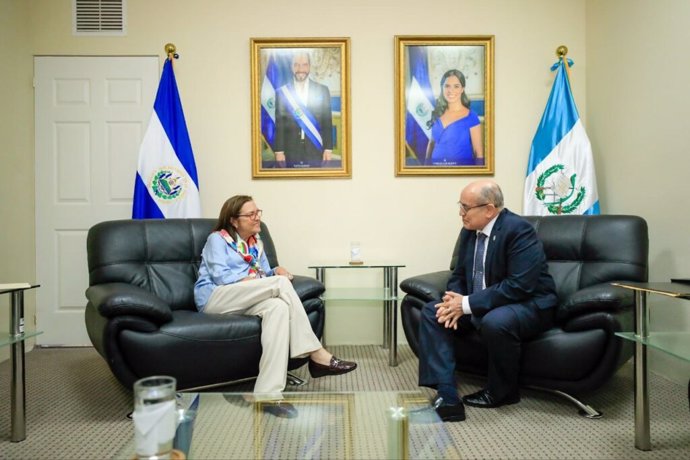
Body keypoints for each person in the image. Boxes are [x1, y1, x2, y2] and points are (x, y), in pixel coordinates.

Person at [194, 195, 356, 418]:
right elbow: (221, 277)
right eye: (250, 214)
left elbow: (262, 273)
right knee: (279, 286)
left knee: (278, 308)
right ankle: (315, 352)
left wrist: (274, 271)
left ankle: (268, 395)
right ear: (233, 220)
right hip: (216, 297)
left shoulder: (256, 243)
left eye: (258, 212)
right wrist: (268, 281)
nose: (257, 217)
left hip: (244, 297)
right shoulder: (217, 240)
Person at [418, 180, 557, 422]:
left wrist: (466, 304)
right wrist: (453, 301)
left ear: (489, 209)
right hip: (482, 301)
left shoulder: (518, 231)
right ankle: (447, 393)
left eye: (465, 207)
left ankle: (503, 392)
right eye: (460, 206)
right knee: (433, 311)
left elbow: (519, 285)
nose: (460, 213)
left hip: (529, 304)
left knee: (495, 321)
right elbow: (459, 274)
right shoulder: (469, 231)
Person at [273, 51, 334, 168]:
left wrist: (328, 148)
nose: (300, 69)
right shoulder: (282, 93)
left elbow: (327, 121)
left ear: (310, 67)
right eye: (296, 64)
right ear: (291, 67)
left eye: (304, 65)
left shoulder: (322, 90)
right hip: (290, 149)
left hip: (315, 149)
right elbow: (279, 124)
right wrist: (279, 151)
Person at [425, 69, 484, 166]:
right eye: (447, 86)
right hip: (435, 173)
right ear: (442, 88)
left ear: (462, 89)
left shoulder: (471, 116)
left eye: (456, 86)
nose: (451, 91)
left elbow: (478, 153)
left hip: (461, 174)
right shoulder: (437, 113)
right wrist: (425, 170)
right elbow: (431, 143)